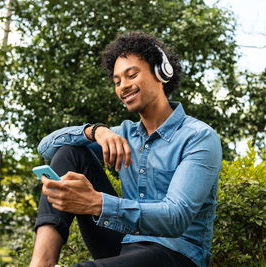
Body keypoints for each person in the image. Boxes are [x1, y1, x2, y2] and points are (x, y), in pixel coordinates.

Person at [29, 32, 222, 267]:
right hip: (125, 246)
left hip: (177, 254)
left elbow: (176, 217)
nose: (123, 86)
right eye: (117, 81)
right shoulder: (123, 135)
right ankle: (40, 264)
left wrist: (96, 202)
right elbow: (47, 148)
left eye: (132, 75)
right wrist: (95, 131)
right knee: (72, 152)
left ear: (161, 72)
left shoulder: (199, 137)